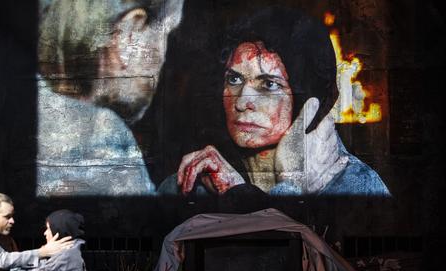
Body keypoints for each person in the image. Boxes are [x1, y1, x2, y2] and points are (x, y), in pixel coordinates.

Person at [160, 6, 390, 197]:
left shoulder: (355, 186)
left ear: (309, 99)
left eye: (269, 84)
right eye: (234, 79)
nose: (242, 102)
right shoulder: (191, 182)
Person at [36, 0, 184, 196]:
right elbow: (146, 222)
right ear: (128, 35)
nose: (163, 58)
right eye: (166, 33)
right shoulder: (103, 133)